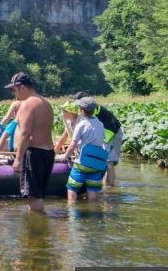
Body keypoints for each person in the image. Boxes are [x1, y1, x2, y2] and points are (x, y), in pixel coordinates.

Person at [7, 72, 55, 213]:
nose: (13, 94)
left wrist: (18, 159)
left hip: (34, 154)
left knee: (33, 197)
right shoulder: (46, 103)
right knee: (39, 195)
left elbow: (25, 134)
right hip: (48, 153)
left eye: (13, 90)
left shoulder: (27, 104)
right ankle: (40, 228)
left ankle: (35, 232)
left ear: (22, 87)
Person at [57, 97, 106, 202]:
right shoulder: (101, 124)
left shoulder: (81, 125)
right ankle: (93, 212)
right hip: (97, 163)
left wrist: (65, 156)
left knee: (72, 188)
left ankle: (73, 213)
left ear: (82, 111)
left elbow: (73, 144)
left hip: (83, 163)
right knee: (92, 191)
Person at [73, 91, 122, 187]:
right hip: (105, 134)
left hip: (112, 134)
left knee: (109, 161)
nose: (78, 107)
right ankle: (105, 183)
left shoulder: (93, 109)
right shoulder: (90, 108)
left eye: (79, 104)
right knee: (105, 160)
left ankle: (110, 187)